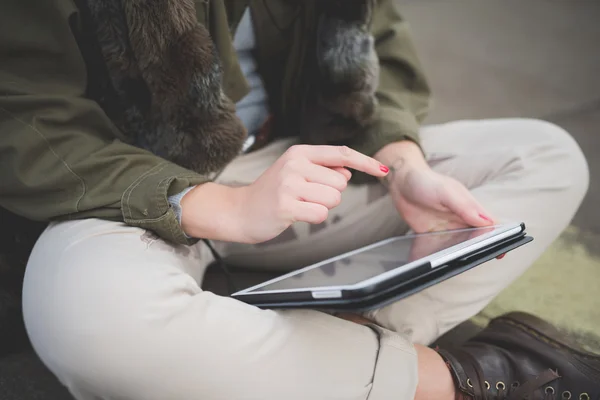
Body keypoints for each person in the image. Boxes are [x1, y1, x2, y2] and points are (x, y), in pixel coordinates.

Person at [0, 0, 597, 399]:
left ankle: (332, 347)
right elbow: (24, 112)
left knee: (546, 156)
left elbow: (374, 38)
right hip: (137, 186)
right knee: (88, 312)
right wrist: (226, 206)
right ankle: (458, 378)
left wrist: (404, 167)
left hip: (300, 162)